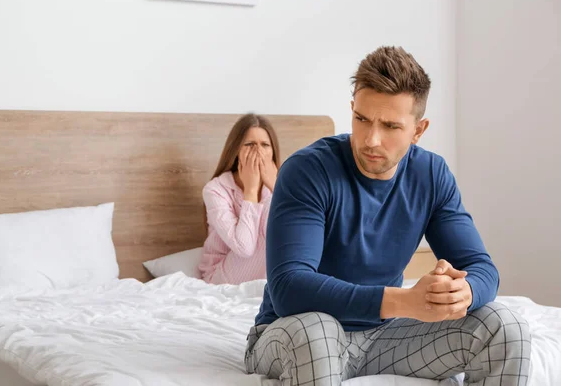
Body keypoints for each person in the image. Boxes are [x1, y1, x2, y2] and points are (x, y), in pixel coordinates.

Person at [245, 47, 531, 385]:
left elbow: (483, 270)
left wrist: (463, 292)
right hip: (294, 331)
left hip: (385, 338)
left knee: (504, 325)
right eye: (362, 119)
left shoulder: (431, 175)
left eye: (391, 126)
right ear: (352, 109)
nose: (371, 139)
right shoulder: (308, 171)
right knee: (318, 331)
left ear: (418, 130)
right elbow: (288, 288)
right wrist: (403, 301)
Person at [198, 113, 280, 285]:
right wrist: (250, 190)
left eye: (265, 145)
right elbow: (244, 248)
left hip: (267, 276)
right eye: (249, 144)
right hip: (221, 275)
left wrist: (278, 188)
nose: (258, 151)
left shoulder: (281, 185)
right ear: (236, 150)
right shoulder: (215, 190)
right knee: (270, 213)